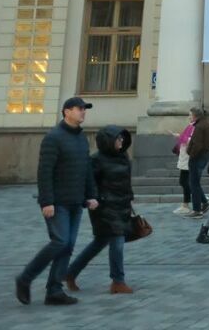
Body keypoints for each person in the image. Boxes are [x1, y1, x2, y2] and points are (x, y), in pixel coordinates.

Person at [15, 96, 99, 306]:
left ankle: (54, 290)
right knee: (60, 241)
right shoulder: (53, 137)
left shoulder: (81, 138)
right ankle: (25, 278)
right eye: (79, 109)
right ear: (66, 112)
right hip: (57, 202)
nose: (83, 112)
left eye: (84, 109)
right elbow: (44, 172)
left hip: (75, 201)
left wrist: (91, 195)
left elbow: (87, 170)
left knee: (68, 246)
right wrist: (46, 202)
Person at [64, 126, 134, 294]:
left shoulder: (123, 157)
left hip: (122, 205)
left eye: (122, 138)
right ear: (108, 141)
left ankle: (70, 273)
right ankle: (118, 281)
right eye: (118, 138)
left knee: (99, 242)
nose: (121, 141)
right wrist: (94, 199)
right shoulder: (96, 160)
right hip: (104, 207)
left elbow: (125, 182)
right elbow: (88, 183)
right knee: (117, 241)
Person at [185, 107, 209, 217]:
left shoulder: (199, 126)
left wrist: (190, 153)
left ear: (195, 116)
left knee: (193, 183)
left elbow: (197, 144)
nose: (189, 117)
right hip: (205, 155)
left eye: (190, 114)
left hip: (197, 156)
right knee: (195, 182)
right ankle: (205, 203)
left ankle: (197, 210)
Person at [172, 116, 195, 215]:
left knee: (184, 181)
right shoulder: (191, 126)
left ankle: (187, 204)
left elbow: (191, 140)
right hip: (184, 157)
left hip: (188, 157)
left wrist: (179, 136)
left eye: (191, 115)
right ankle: (188, 203)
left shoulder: (194, 127)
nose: (189, 117)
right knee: (185, 181)